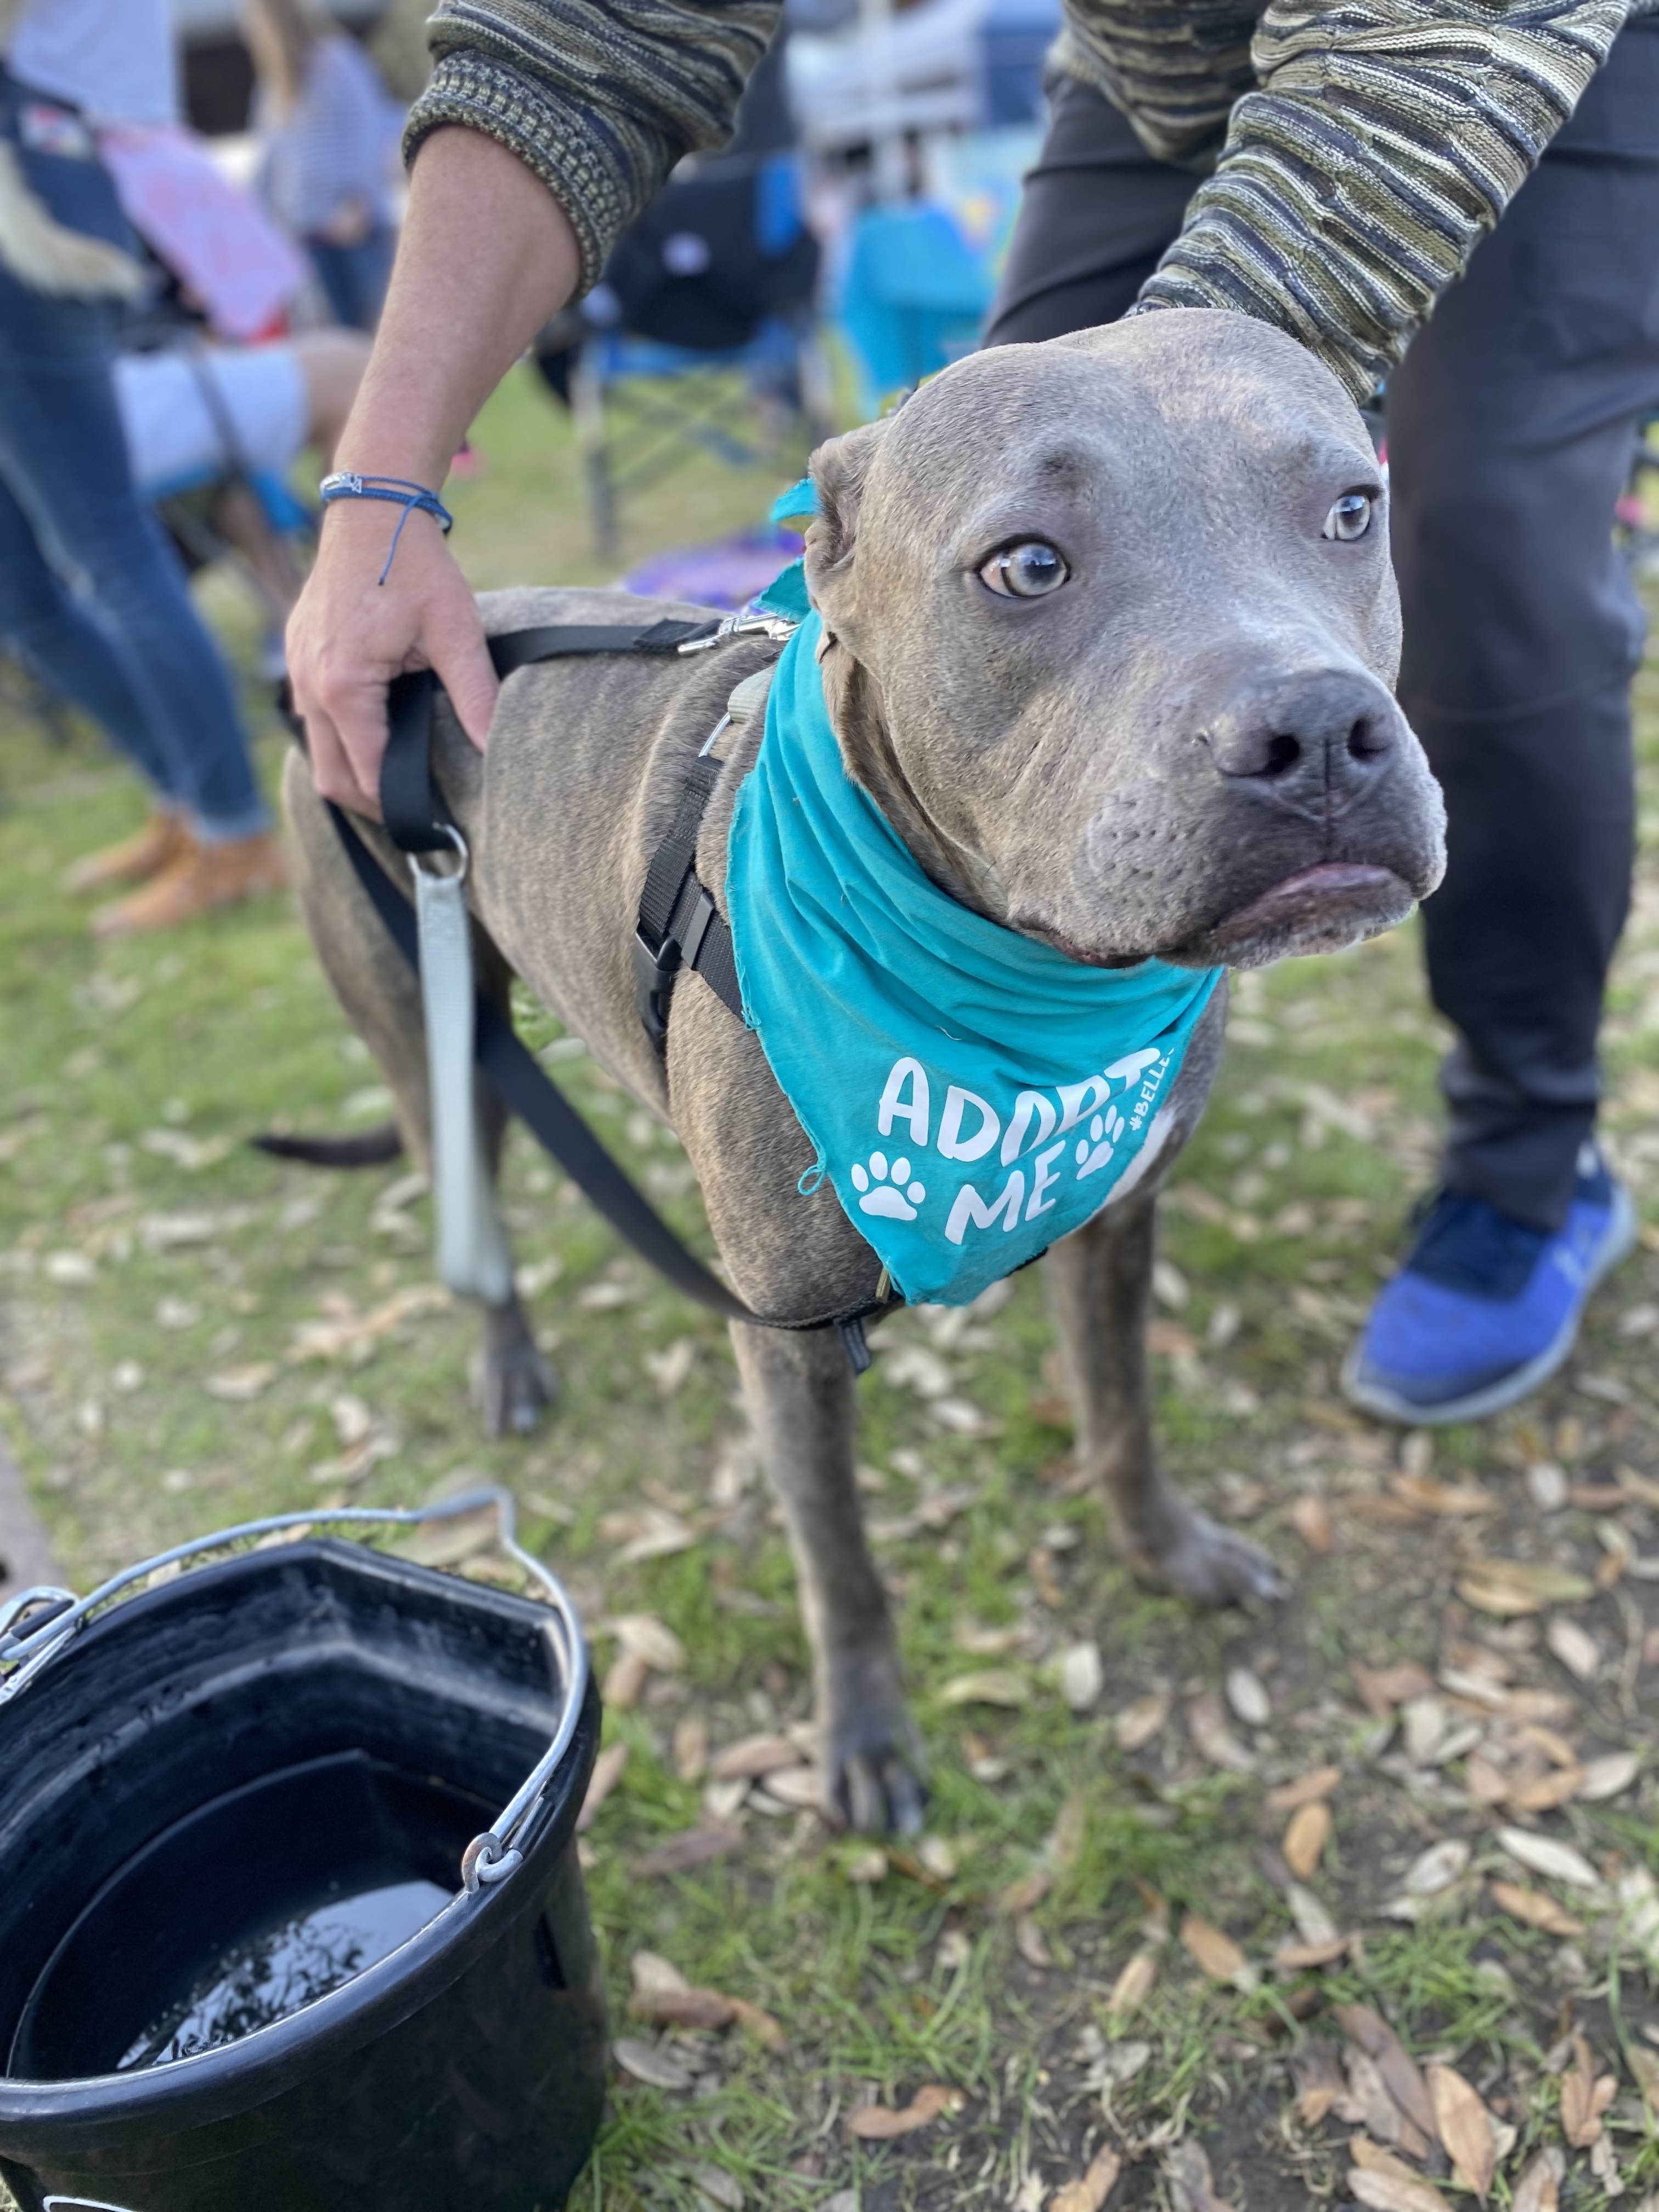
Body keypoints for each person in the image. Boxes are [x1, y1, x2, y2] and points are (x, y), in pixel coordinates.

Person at [287, 0, 1657, 1423]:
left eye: (1344, 520)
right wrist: (382, 483)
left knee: (1495, 558)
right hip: (1145, 59)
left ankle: (1529, 1159)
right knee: (1003, 546)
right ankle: (1024, 1068)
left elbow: (1428, 61)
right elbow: (588, 35)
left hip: (1513, 56)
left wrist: (1158, 450)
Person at [0, 0, 285, 933]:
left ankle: (236, 831)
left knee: (107, 549)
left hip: (32, 171)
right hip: (54, 160)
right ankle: (186, 797)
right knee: (26, 590)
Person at [245, 0, 401, 332]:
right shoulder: (273, 89)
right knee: (336, 335)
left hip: (352, 225)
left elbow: (365, 129)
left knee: (377, 329)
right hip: (306, 234)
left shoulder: (336, 60)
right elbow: (268, 166)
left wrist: (358, 201)